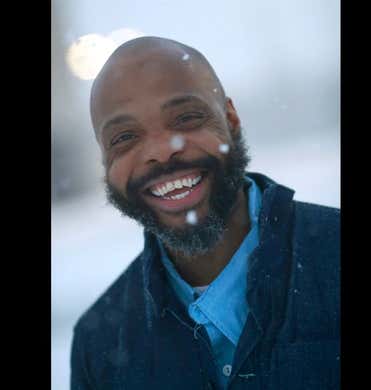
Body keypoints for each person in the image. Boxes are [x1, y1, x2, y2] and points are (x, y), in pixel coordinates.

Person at [70, 36, 340, 390]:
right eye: (124, 137)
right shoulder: (100, 345)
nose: (162, 152)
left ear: (230, 118)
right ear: (106, 162)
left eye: (186, 118)